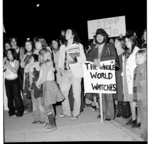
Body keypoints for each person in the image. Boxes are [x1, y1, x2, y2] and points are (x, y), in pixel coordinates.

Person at [87, 28, 120, 121]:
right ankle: (102, 112)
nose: (99, 38)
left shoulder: (110, 45)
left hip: (107, 72)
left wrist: (100, 61)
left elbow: (114, 57)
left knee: (108, 94)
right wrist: (94, 60)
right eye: (97, 36)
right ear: (96, 38)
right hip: (97, 73)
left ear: (104, 37)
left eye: (101, 36)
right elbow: (88, 58)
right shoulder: (93, 47)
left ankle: (109, 115)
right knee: (99, 94)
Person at [58, 28, 86, 120]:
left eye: (68, 32)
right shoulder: (62, 47)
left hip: (76, 72)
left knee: (76, 94)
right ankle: (67, 112)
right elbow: (60, 60)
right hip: (66, 72)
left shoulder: (78, 45)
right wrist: (60, 68)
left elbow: (83, 59)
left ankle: (76, 113)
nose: (66, 34)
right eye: (66, 32)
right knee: (63, 91)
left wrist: (75, 56)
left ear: (73, 35)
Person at [36, 48, 64, 131]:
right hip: (50, 84)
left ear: (42, 56)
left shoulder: (45, 64)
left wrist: (38, 83)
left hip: (48, 85)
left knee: (46, 106)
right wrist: (39, 81)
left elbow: (44, 78)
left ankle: (52, 124)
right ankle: (51, 121)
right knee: (49, 105)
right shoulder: (48, 63)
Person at [123, 34, 140, 126]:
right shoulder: (127, 52)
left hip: (135, 78)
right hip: (127, 78)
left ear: (133, 41)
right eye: (125, 41)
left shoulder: (137, 51)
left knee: (137, 100)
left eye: (129, 41)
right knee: (131, 99)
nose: (127, 43)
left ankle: (139, 120)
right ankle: (133, 118)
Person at [25, 54, 46, 124]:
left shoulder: (38, 65)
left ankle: (43, 119)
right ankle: (37, 119)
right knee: (34, 104)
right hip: (32, 87)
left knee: (40, 104)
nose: (30, 60)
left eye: (32, 59)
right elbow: (25, 70)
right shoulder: (30, 67)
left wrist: (33, 65)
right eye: (30, 59)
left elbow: (38, 69)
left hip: (38, 87)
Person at [4, 49, 24, 117]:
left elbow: (15, 71)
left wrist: (8, 64)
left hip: (14, 81)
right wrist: (3, 61)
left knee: (17, 96)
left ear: (13, 54)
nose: (8, 55)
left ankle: (20, 111)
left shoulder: (16, 61)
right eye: (7, 53)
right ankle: (11, 111)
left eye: (10, 53)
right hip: (7, 81)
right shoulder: (5, 62)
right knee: (9, 97)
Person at [133, 49, 147, 141]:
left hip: (146, 98)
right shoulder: (136, 69)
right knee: (144, 118)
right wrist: (135, 99)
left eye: (141, 57)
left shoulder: (146, 68)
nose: (138, 59)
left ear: (146, 58)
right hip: (140, 98)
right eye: (137, 57)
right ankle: (145, 136)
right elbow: (134, 86)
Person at [114, 37, 126, 117]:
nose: (115, 43)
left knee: (122, 92)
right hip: (115, 75)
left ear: (121, 44)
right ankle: (118, 110)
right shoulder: (114, 53)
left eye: (117, 42)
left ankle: (124, 111)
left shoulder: (124, 53)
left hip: (121, 75)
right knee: (117, 92)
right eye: (115, 42)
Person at [21, 40, 33, 113]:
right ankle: (28, 107)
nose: (28, 46)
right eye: (26, 45)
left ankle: (37, 107)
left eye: (29, 44)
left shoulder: (35, 53)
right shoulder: (25, 55)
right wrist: (23, 58)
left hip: (34, 74)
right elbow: (22, 65)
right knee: (26, 89)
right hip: (26, 75)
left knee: (35, 90)